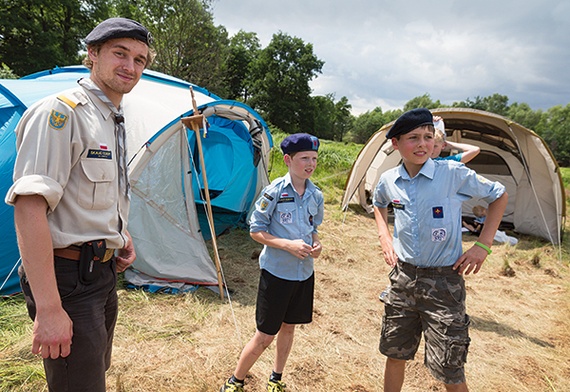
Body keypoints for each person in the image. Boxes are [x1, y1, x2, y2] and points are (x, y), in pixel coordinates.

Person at [4, 17, 155, 391]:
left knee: (91, 377)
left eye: (140, 59)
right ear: (92, 54)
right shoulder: (61, 113)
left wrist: (119, 234)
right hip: (66, 278)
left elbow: (90, 193)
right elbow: (28, 207)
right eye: (120, 54)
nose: (130, 66)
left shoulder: (113, 117)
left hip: (101, 275)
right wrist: (50, 309)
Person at [372, 108, 508, 392]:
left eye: (427, 136)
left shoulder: (452, 173)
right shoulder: (389, 180)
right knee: (394, 353)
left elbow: (499, 195)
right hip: (403, 280)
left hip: (444, 285)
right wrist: (384, 235)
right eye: (413, 138)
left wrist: (482, 246)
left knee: (450, 367)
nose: (423, 144)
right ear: (395, 144)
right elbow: (378, 202)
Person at [220, 133, 324, 392]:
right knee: (265, 335)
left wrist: (317, 243)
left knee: (289, 328)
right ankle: (236, 381)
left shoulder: (316, 195)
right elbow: (255, 231)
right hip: (277, 275)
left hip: (303, 275)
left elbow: (314, 228)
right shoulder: (274, 192)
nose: (310, 164)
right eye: (304, 158)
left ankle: (276, 378)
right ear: (288, 160)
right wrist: (287, 245)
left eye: (314, 158)